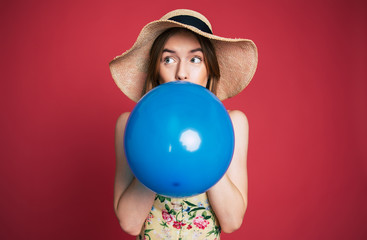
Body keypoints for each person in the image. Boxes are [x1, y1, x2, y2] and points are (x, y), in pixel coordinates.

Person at [109, 9, 258, 240]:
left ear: (209, 69)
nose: (181, 73)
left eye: (195, 59)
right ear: (156, 70)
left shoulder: (233, 124)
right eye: (168, 59)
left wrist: (209, 145)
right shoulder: (129, 125)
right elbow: (129, 224)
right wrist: (151, 145)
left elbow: (231, 221)